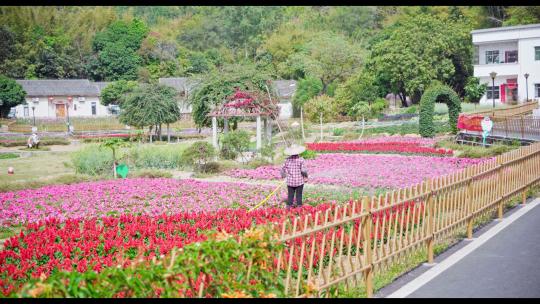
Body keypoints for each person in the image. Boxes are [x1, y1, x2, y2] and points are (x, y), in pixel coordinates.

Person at [281, 144, 308, 209]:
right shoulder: (301, 159)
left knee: (290, 195)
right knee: (299, 195)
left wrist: (283, 176)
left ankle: (288, 207)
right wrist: (306, 177)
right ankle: (299, 207)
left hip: (290, 181)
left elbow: (282, 169)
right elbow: (303, 170)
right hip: (299, 181)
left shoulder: (287, 160)